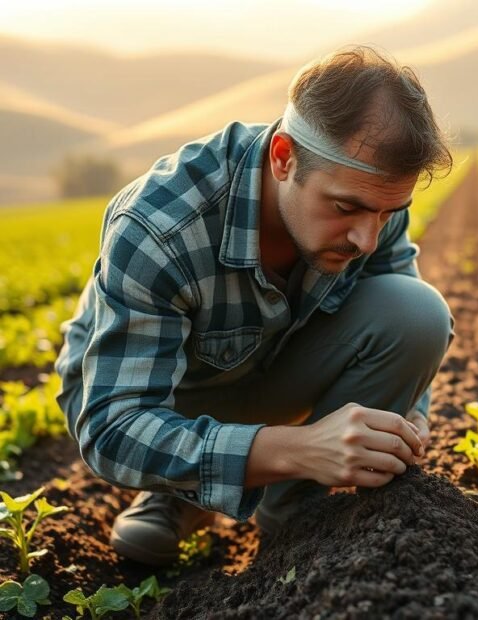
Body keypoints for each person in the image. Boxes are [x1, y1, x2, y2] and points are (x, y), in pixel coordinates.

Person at [53, 46, 455, 566]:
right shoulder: (160, 227)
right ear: (284, 157)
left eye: (387, 212)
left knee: (417, 314)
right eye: (345, 208)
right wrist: (302, 448)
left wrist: (405, 416)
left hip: (269, 367)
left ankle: (293, 512)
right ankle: (181, 493)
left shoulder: (367, 196)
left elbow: (396, 302)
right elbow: (113, 426)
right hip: (166, 393)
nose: (366, 237)